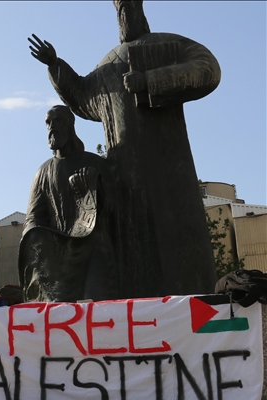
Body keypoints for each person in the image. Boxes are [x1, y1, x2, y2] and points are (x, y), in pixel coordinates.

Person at [28, 1, 220, 299]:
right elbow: (79, 95)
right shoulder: (110, 65)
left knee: (181, 248)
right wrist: (55, 65)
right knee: (132, 254)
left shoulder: (167, 45)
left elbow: (207, 69)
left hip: (170, 169)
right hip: (124, 175)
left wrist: (149, 80)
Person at [19, 105, 118, 302]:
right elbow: (34, 218)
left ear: (70, 124)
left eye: (57, 120)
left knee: (100, 310)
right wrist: (40, 242)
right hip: (60, 257)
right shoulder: (43, 172)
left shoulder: (96, 164)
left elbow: (115, 210)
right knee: (61, 315)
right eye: (48, 122)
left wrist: (93, 190)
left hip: (94, 252)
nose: (52, 126)